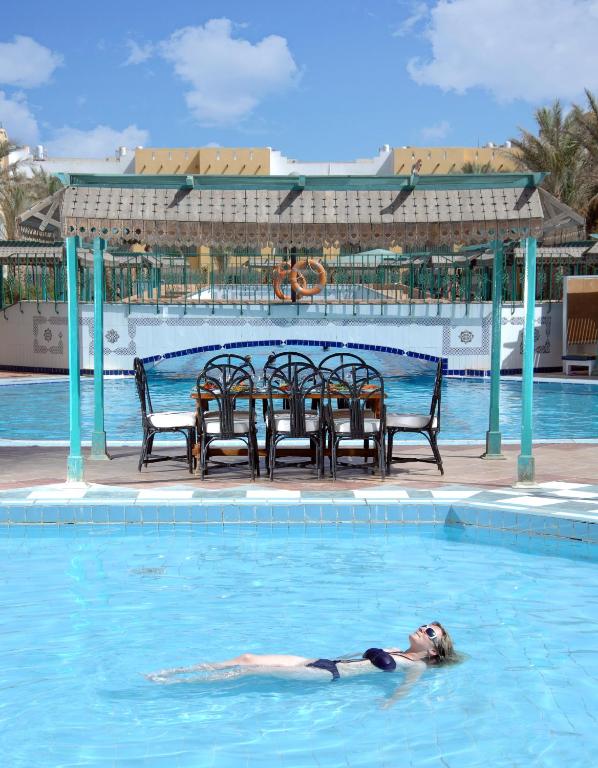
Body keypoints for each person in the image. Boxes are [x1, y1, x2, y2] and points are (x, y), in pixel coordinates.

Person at [147, 622, 455, 702]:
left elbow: (404, 689)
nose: (422, 628)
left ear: (433, 651)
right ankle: (177, 671)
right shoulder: (393, 648)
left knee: (248, 670)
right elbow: (351, 655)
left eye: (430, 632)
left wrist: (387, 706)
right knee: (247, 657)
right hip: (324, 662)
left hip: (328, 677)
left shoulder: (416, 666)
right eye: (424, 625)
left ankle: (182, 683)